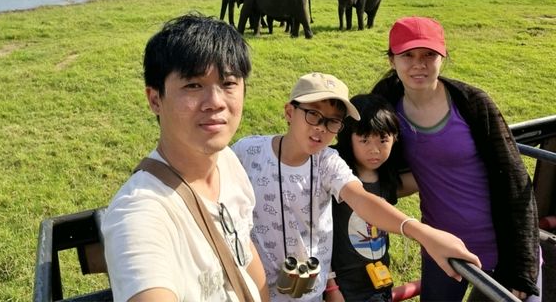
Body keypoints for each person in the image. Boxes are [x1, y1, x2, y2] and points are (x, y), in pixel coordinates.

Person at [232, 72, 480, 302]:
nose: (321, 128)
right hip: (250, 286)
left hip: (308, 292)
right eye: (313, 115)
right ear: (289, 112)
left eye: (333, 122)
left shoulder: (328, 162)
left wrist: (423, 233)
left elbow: (361, 199)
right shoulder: (247, 151)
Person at [101, 14, 269, 302]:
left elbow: (244, 251)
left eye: (228, 83)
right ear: (155, 99)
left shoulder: (227, 161)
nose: (215, 102)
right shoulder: (141, 213)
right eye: (193, 85)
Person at [372, 16, 541, 301]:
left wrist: (522, 268)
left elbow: (516, 182)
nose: (418, 64)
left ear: (443, 57)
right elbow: (374, 166)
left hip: (501, 247)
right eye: (407, 55)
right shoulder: (387, 109)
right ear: (392, 61)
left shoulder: (472, 104)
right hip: (441, 248)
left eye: (429, 55)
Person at [331, 94, 403, 302]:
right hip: (343, 287)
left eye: (383, 140)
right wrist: (331, 287)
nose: (374, 150)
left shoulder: (387, 178)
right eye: (364, 140)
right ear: (347, 138)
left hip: (379, 282)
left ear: (394, 138)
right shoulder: (336, 179)